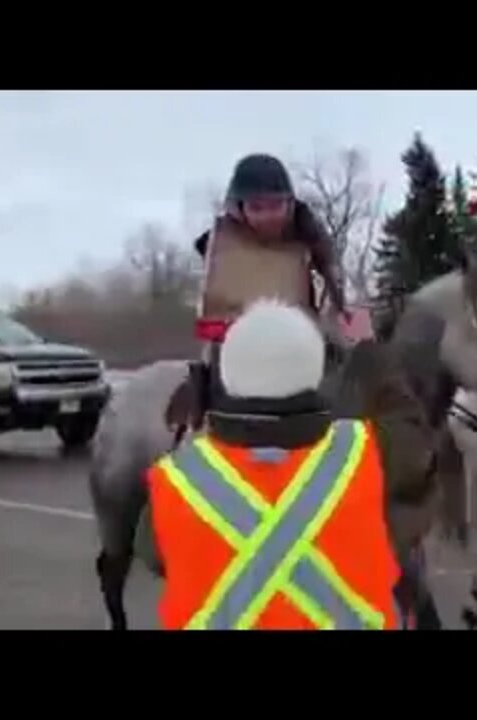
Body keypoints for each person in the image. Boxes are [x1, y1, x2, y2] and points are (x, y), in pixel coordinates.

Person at [137, 298, 401, 630]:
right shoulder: (367, 452)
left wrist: (194, 432)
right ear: (316, 371)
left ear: (227, 377)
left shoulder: (176, 480)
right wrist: (366, 348)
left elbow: (154, 555)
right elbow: (410, 424)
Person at [185, 153, 349, 424]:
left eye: (275, 206)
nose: (267, 216)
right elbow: (214, 307)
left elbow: (340, 295)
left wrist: (350, 330)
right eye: (257, 208)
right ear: (240, 208)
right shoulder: (222, 245)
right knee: (215, 386)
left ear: (289, 204)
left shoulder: (309, 240)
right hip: (235, 345)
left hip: (299, 342)